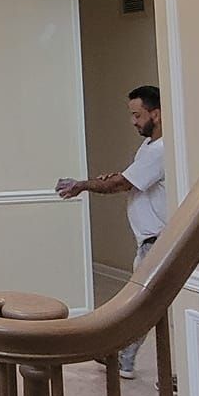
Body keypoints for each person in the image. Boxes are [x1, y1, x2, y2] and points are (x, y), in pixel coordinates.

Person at [58, 85, 165, 378]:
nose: (133, 121)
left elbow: (121, 183)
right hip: (149, 240)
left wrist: (82, 185)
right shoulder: (149, 147)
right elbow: (128, 178)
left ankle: (127, 359)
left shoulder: (161, 150)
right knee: (144, 305)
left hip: (158, 241)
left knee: (141, 305)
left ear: (156, 114)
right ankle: (124, 357)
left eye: (137, 115)